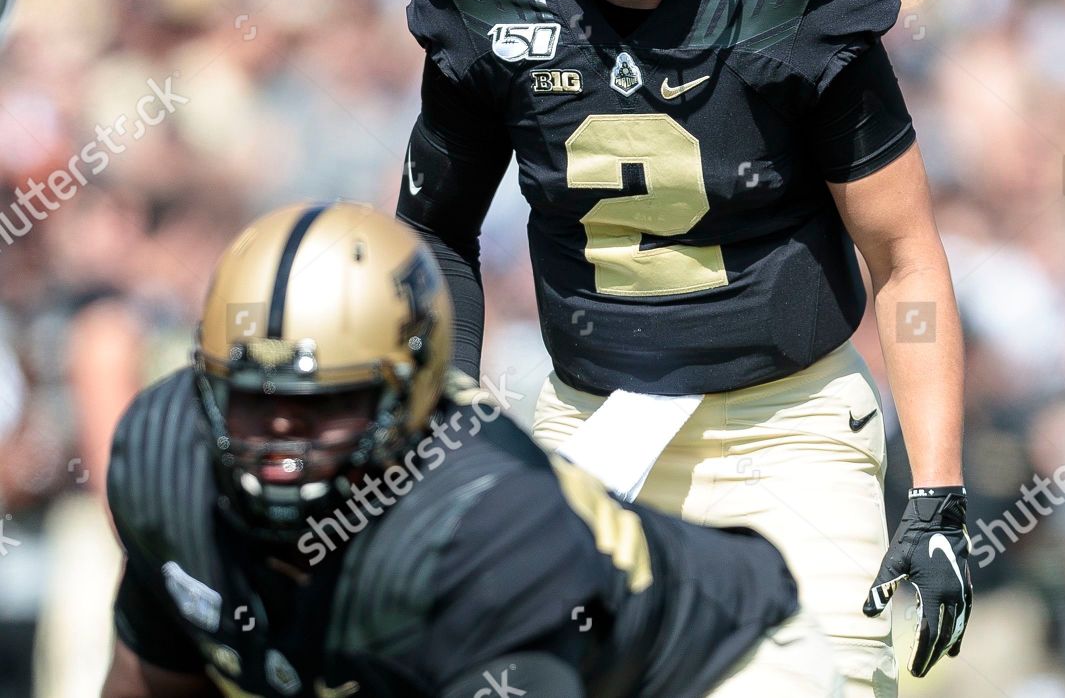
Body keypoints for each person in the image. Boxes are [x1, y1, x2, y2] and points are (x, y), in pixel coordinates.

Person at [396, 0, 970, 696]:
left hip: (789, 427)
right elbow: (436, 237)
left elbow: (904, 255)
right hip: (595, 425)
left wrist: (939, 492)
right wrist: (453, 434)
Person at [100, 201, 838, 698]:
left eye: (325, 404)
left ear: (416, 392)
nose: (281, 438)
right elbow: (153, 673)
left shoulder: (487, 529)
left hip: (713, 671)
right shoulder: (168, 456)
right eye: (256, 400)